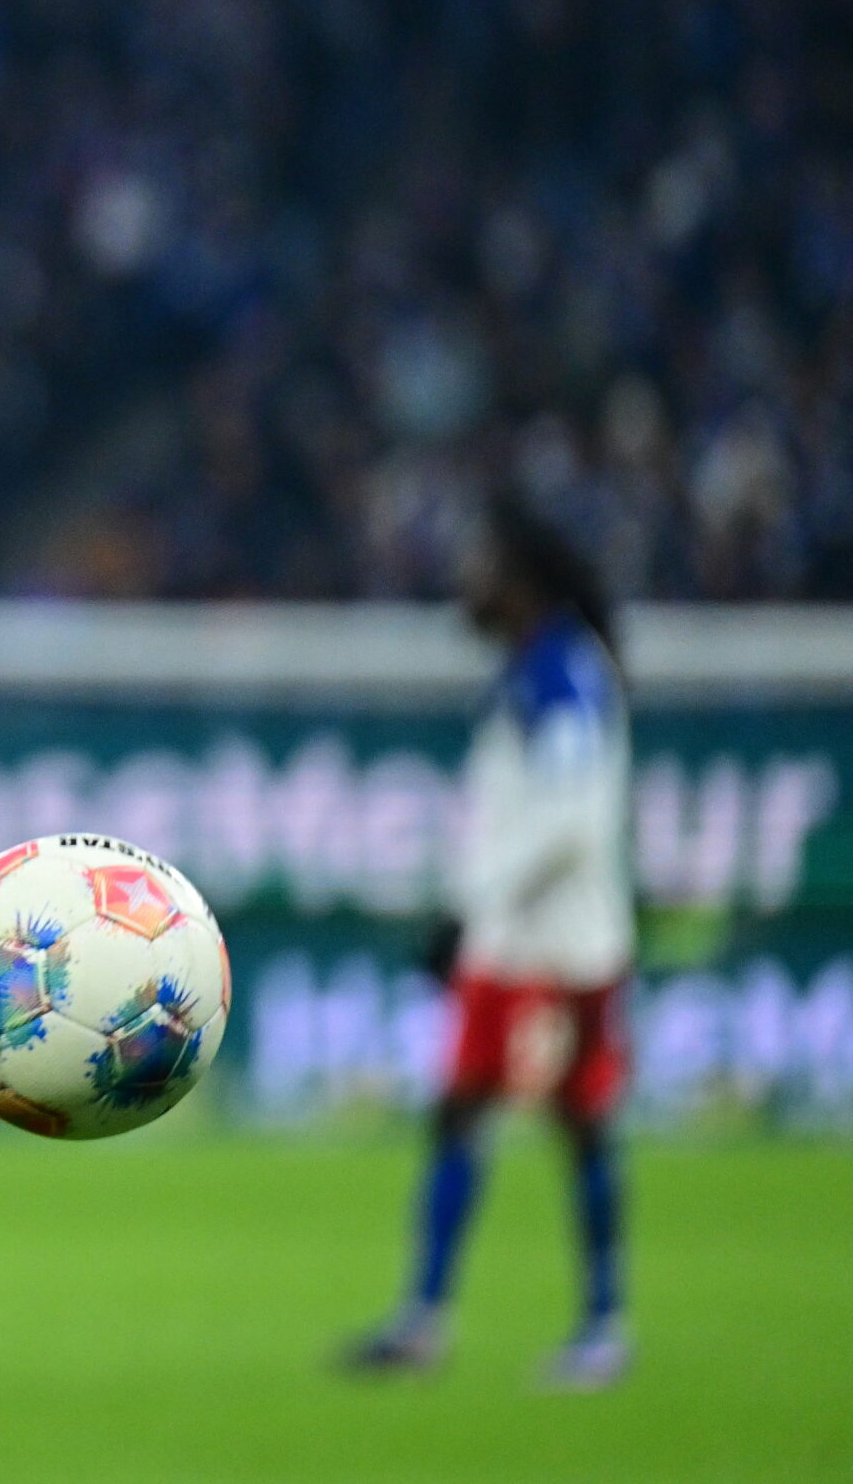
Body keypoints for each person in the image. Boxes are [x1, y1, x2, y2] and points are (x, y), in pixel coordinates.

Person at [346, 494, 635, 1389]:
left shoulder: (564, 676)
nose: (466, 586)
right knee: (465, 1112)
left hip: (561, 946)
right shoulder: (532, 671)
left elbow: (571, 823)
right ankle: (427, 1319)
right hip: (512, 941)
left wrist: (478, 902)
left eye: (483, 570)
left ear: (524, 582)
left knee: (579, 1124)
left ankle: (599, 1326)